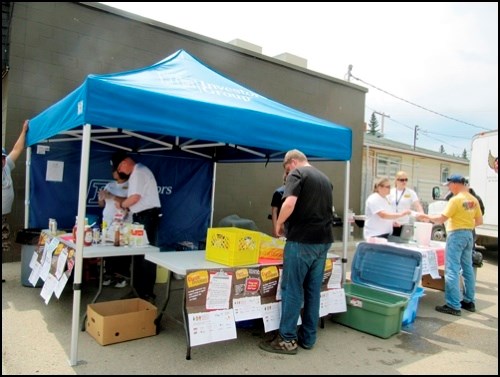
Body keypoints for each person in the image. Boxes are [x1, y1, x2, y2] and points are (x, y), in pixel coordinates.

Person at [259, 149, 334, 355]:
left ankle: (287, 339)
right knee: (312, 290)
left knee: (292, 288)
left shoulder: (297, 174)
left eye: (285, 168)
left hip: (301, 241)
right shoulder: (325, 178)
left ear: (291, 162)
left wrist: (279, 224)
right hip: (323, 241)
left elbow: (289, 203)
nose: (286, 174)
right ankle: (308, 338)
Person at [417, 174, 483, 316]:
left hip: (456, 235)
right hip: (469, 235)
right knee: (467, 268)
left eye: (449, 185)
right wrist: (467, 225)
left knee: (452, 269)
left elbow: (441, 219)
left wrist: (426, 217)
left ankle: (453, 305)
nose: (448, 188)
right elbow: (479, 221)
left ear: (455, 184)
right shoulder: (473, 200)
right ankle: (469, 301)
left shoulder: (455, 200)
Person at [111, 151, 162, 303]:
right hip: (142, 217)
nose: (121, 172)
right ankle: (138, 290)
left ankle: (146, 293)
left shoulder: (139, 173)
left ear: (124, 163)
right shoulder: (137, 172)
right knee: (139, 255)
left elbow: (134, 198)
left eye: (120, 169)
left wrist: (121, 205)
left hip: (147, 217)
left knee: (145, 255)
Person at [3, 120, 29, 283]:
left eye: (3, 158)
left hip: (4, 216)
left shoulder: (6, 167)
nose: (2, 161)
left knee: (3, 245)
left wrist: (24, 130)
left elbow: (17, 149)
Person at [98, 168, 131, 288]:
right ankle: (109, 274)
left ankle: (123, 276)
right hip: (107, 222)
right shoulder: (109, 185)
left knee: (121, 251)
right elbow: (102, 204)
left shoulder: (131, 185)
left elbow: (129, 202)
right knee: (107, 249)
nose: (114, 172)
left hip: (123, 222)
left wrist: (111, 196)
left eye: (116, 170)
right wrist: (101, 197)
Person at [388, 171, 424, 236]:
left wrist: (422, 215)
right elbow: (385, 207)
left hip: (404, 224)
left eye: (406, 180)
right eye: (402, 180)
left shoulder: (411, 192)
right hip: (391, 224)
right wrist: (390, 221)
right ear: (396, 180)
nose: (404, 182)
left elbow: (418, 206)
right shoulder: (390, 192)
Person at [269, 171, 288, 237]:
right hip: (283, 226)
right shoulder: (279, 193)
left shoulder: (279, 192)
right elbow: (274, 211)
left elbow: (274, 211)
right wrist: (275, 227)